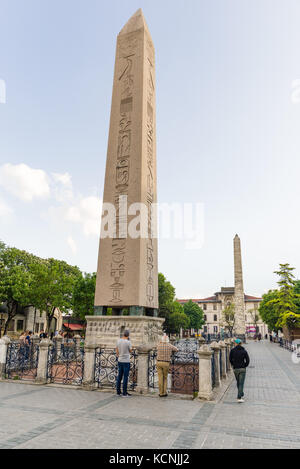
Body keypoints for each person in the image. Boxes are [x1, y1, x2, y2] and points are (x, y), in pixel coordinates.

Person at [229, 338, 250, 403]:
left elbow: (230, 359)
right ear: (241, 344)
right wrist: (245, 365)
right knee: (241, 383)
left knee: (238, 382)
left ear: (236, 344)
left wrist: (233, 364)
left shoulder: (232, 350)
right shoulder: (244, 351)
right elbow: (248, 360)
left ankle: (240, 393)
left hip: (236, 369)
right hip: (242, 369)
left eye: (235, 343)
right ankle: (239, 397)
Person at [116, 330, 133, 397]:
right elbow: (130, 350)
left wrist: (119, 356)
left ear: (123, 334)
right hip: (126, 361)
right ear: (128, 335)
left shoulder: (118, 341)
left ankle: (118, 391)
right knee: (125, 377)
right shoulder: (128, 342)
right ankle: (124, 393)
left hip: (120, 360)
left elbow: (116, 350)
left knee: (119, 376)